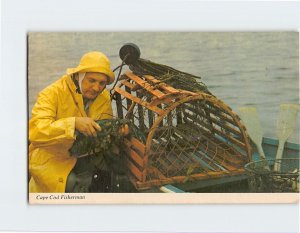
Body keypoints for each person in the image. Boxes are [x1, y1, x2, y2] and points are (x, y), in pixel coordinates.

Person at [29, 51, 116, 193]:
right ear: (78, 76)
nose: (96, 88)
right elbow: (36, 133)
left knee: (112, 174)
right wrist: (73, 123)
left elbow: (105, 128)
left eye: (102, 83)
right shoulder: (51, 93)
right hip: (51, 156)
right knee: (69, 183)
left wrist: (118, 132)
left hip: (84, 153)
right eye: (92, 80)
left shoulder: (103, 96)